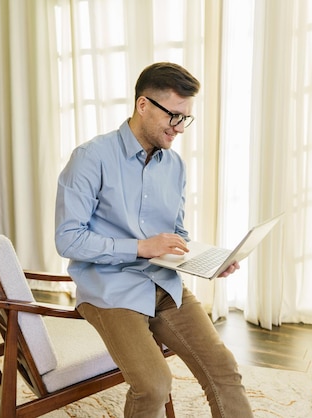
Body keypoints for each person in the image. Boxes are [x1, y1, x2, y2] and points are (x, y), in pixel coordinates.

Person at [55, 62, 253, 417]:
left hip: (163, 283)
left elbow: (176, 235)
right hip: (109, 290)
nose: (179, 128)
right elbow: (68, 240)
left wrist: (207, 261)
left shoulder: (174, 166)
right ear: (143, 105)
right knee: (153, 385)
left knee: (225, 371)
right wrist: (139, 247)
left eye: (185, 118)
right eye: (173, 116)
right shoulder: (90, 158)